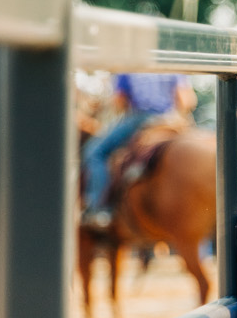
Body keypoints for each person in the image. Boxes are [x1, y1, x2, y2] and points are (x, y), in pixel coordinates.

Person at [82, 71, 195, 227]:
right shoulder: (171, 64)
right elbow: (186, 100)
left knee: (95, 152)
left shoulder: (130, 65)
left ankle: (98, 209)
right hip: (171, 120)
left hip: (141, 119)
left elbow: (119, 101)